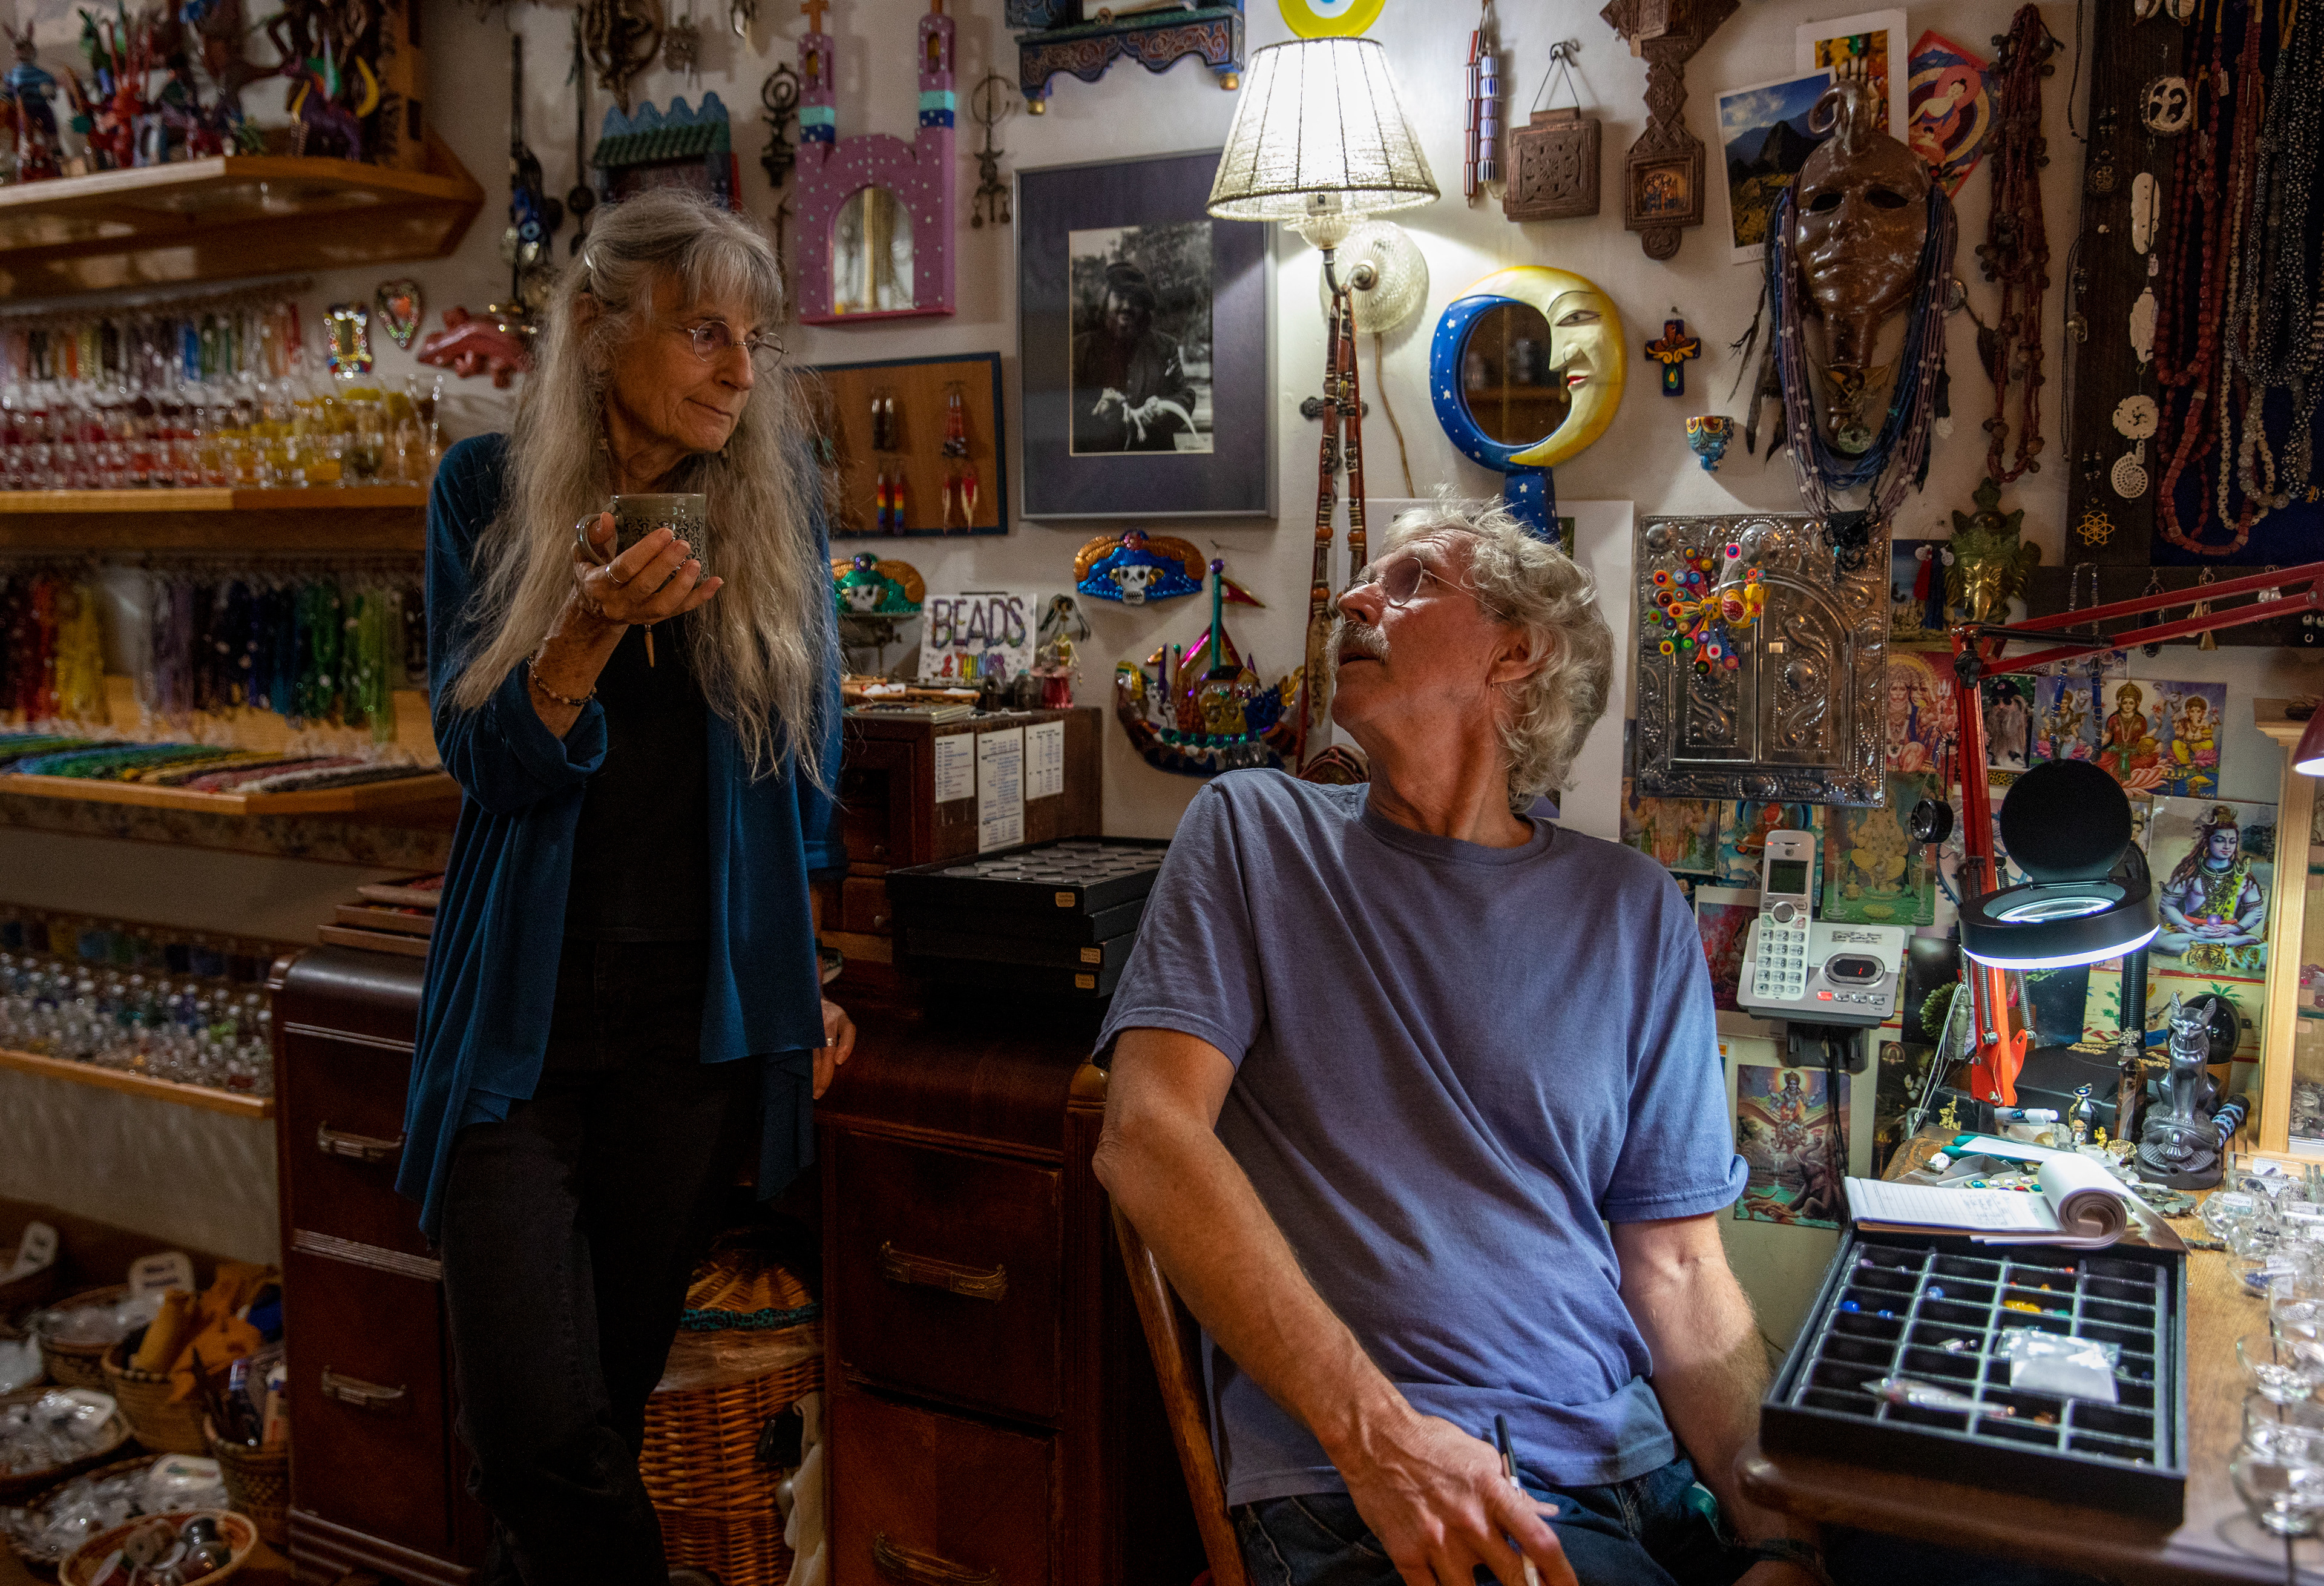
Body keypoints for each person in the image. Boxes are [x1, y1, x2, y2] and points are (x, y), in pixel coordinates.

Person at [1095, 498, 2092, 1586]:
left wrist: (1781, 1536)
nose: (1352, 599)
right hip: (1388, 1488)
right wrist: (1379, 1441)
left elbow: (1676, 1268)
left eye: (1413, 578)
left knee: (2022, 1551)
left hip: (1640, 1473)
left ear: (1516, 652)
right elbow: (1146, 1136)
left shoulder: (1633, 908)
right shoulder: (1253, 834)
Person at [399, 190, 853, 1586]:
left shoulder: (770, 514)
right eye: (703, 330)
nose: (736, 369)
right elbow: (482, 755)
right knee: (533, 1429)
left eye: (753, 341)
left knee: (588, 1413)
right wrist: (586, 625)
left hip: (686, 1041)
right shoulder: (483, 492)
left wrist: (811, 968)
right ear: (597, 332)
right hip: (520, 1034)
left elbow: (804, 778)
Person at [1072, 262, 1198, 452]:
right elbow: (1062, 405)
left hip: (1152, 460)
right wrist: (1096, 409)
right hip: (1096, 461)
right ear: (1107, 299)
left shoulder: (1165, 347)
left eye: (1136, 301)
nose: (1127, 306)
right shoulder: (1079, 349)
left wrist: (1162, 410)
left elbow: (1186, 396)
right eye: (1120, 297)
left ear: (1145, 307)